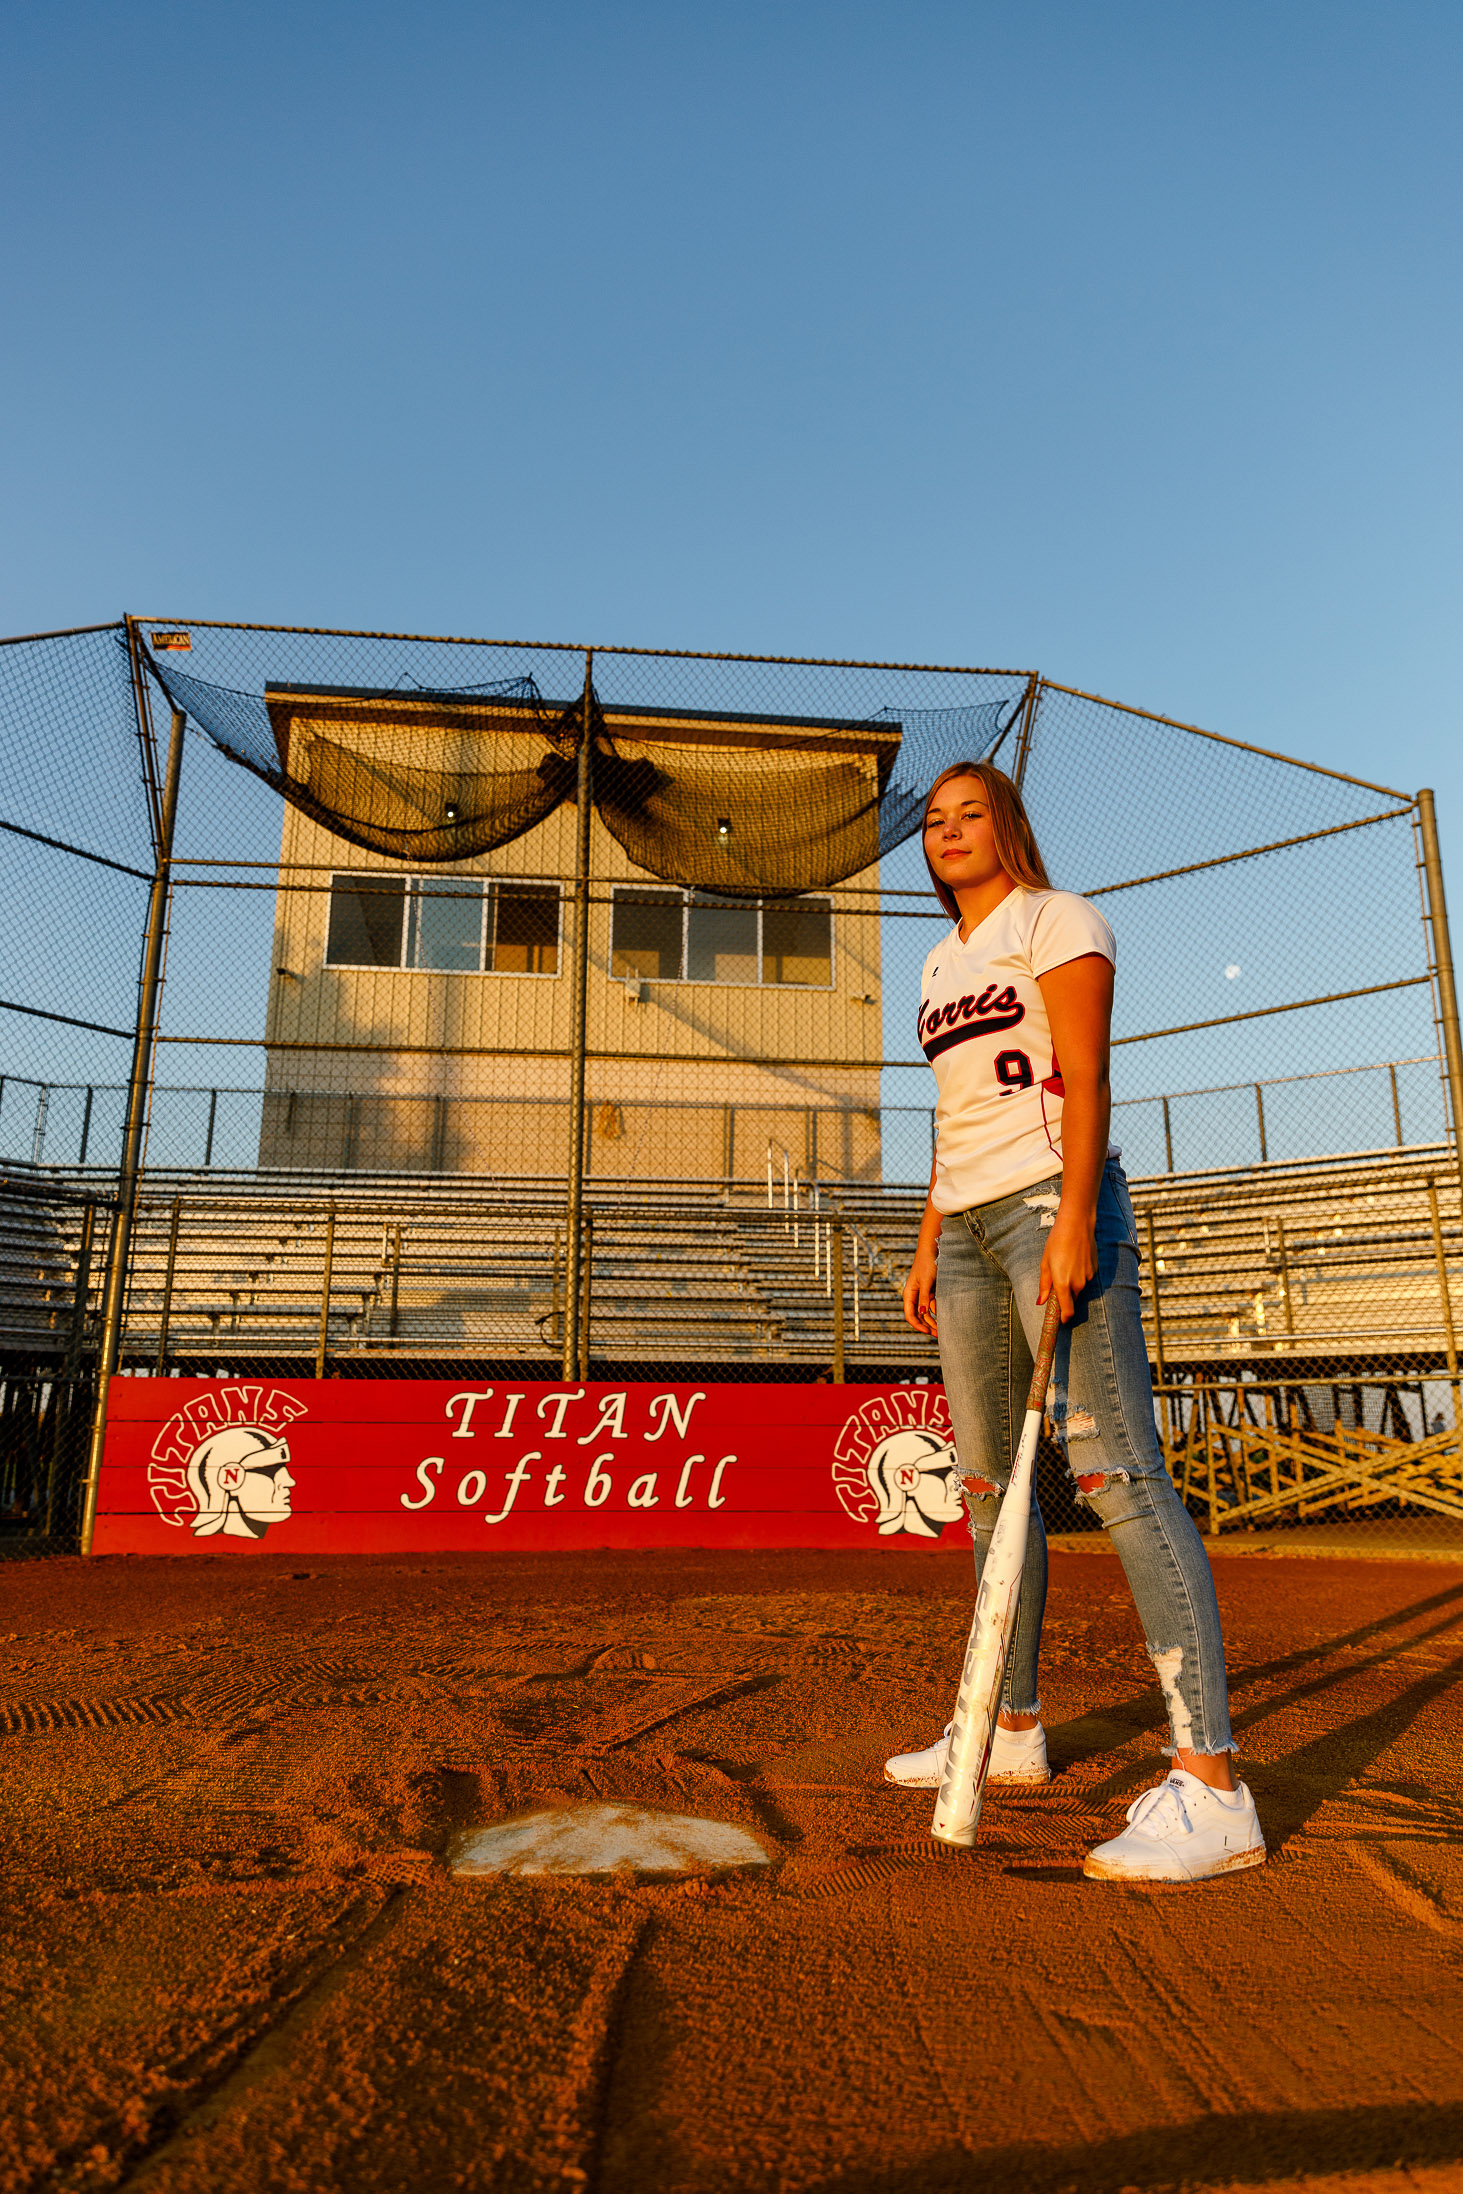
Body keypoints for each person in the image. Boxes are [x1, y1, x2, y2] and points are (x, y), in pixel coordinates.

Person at [884, 760, 1265, 1882]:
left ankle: (1210, 1781)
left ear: (1007, 827)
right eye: (934, 822)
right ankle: (1008, 1730)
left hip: (1056, 1202)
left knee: (1115, 1473)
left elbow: (1085, 1079)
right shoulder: (936, 958)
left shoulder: (1059, 918)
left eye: (970, 815)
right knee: (990, 1486)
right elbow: (959, 1111)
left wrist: (1075, 1218)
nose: (948, 832)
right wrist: (926, 1236)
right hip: (963, 1224)